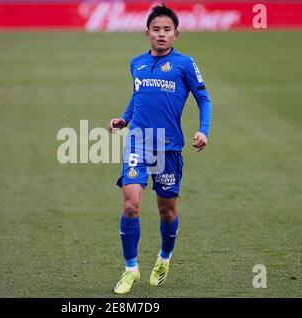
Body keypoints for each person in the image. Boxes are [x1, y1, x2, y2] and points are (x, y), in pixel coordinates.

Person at [108, 4, 212, 294]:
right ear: (147, 33)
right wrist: (125, 118)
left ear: (176, 34)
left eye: (167, 30)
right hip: (138, 143)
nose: (161, 34)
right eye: (156, 29)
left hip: (168, 148)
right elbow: (138, 94)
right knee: (131, 205)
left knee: (167, 211)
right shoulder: (136, 63)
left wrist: (203, 130)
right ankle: (130, 269)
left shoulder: (185, 64)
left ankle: (164, 259)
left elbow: (205, 100)